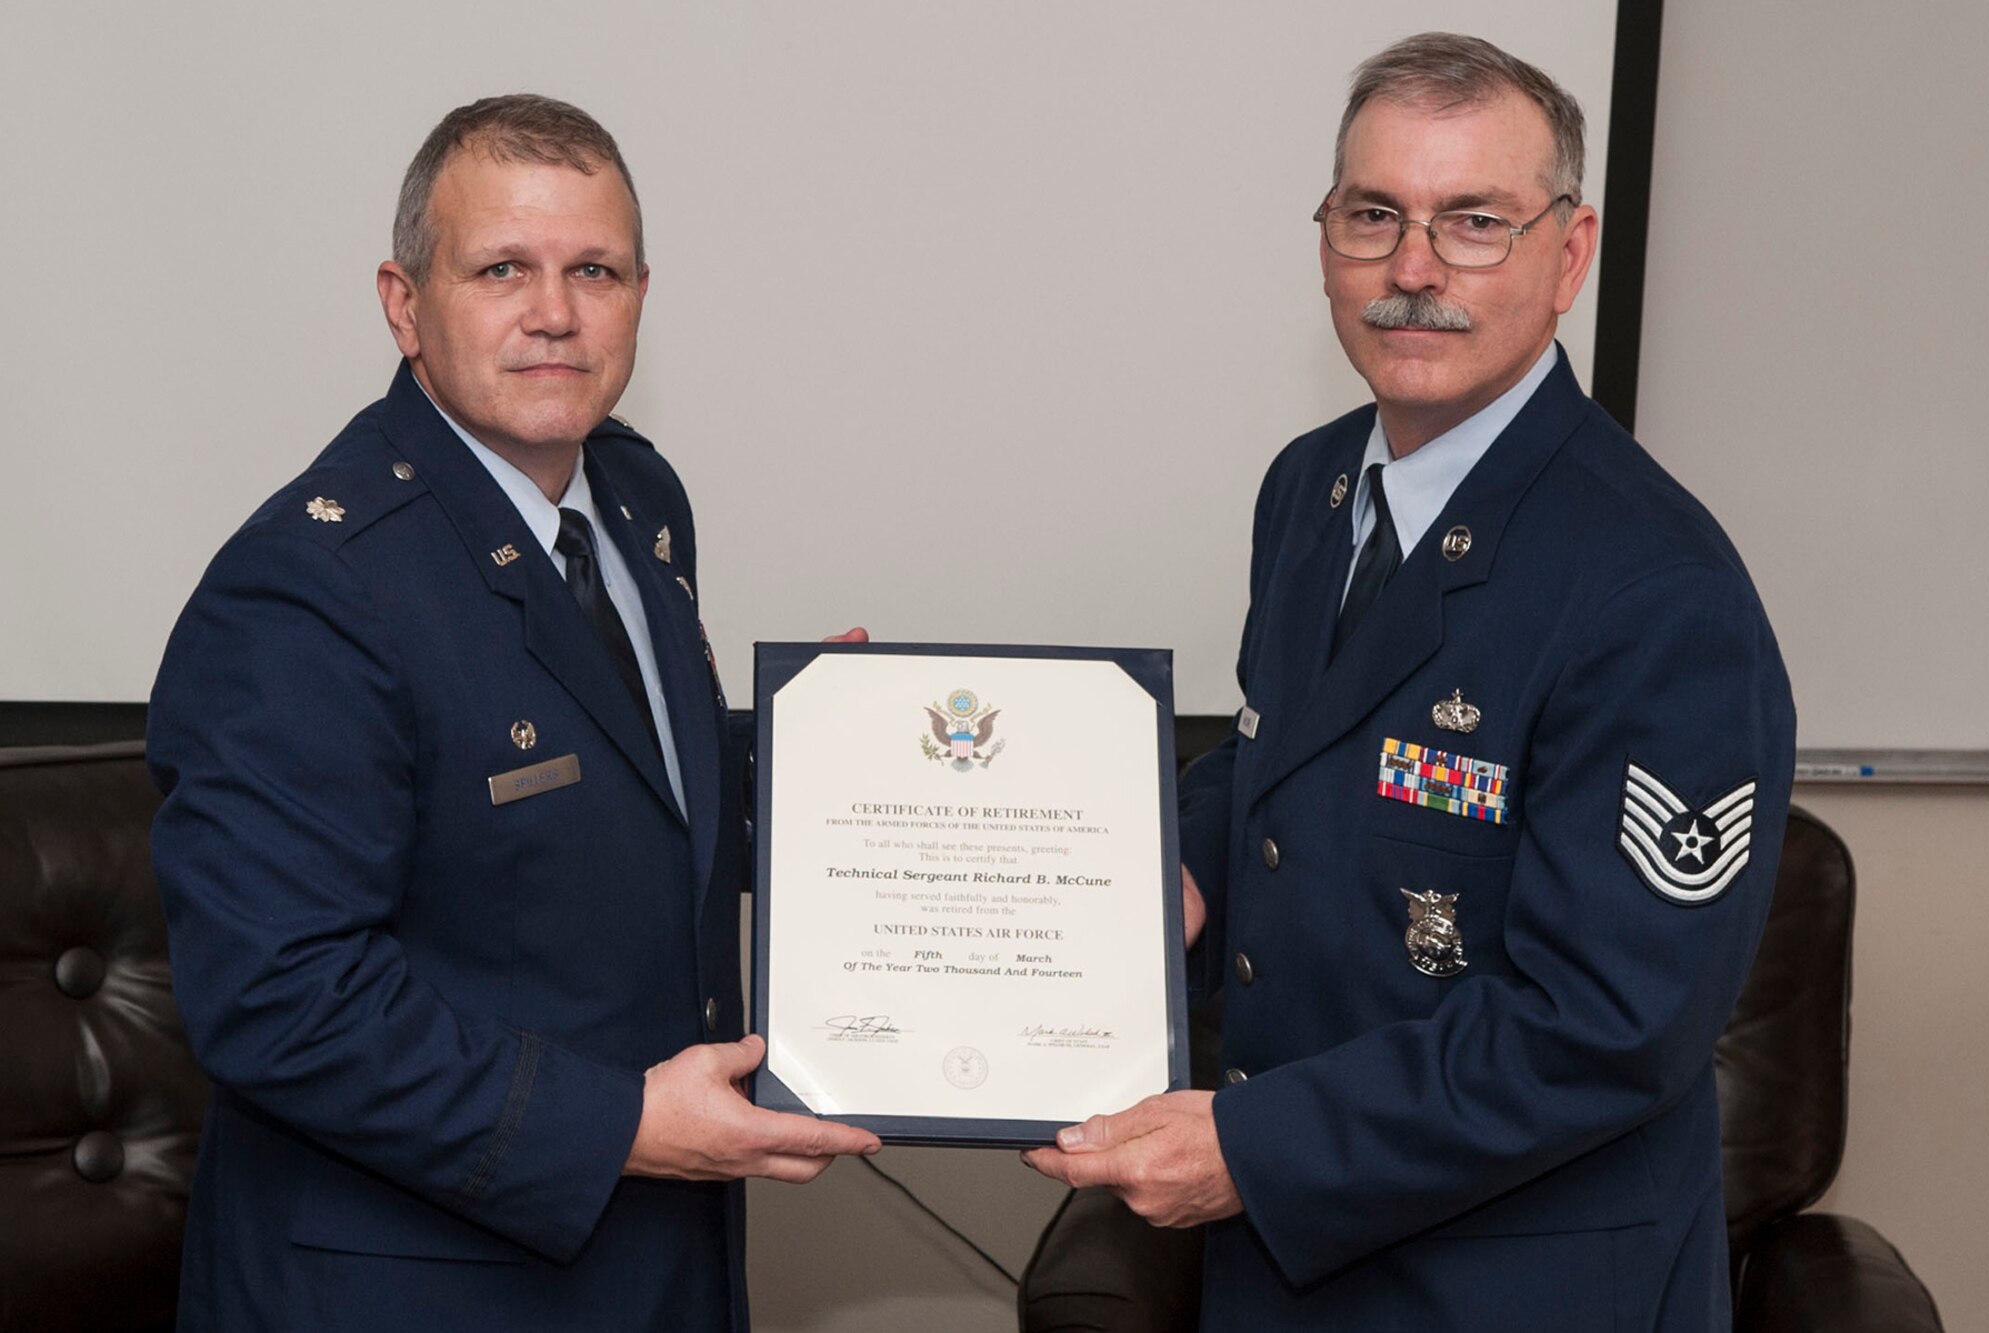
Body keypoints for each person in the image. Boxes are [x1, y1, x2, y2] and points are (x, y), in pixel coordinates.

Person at [1026, 33, 1795, 1330]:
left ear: (1571, 252)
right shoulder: (1312, 486)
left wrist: (1254, 1148)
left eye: (1474, 222)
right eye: (1373, 215)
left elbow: (1608, 1024)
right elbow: (1293, 751)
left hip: (1518, 1281)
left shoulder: (1659, 591)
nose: (1414, 269)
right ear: (1326, 236)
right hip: (1293, 1267)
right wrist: (1186, 868)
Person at [148, 94, 878, 1332]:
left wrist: (840, 759)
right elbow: (277, 993)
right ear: (403, 301)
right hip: (412, 1284)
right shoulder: (307, 586)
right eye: (503, 269)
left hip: (656, 1261)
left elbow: (625, 778)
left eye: (593, 269)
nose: (555, 312)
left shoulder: (636, 497)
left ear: (642, 290)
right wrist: (622, 1126)